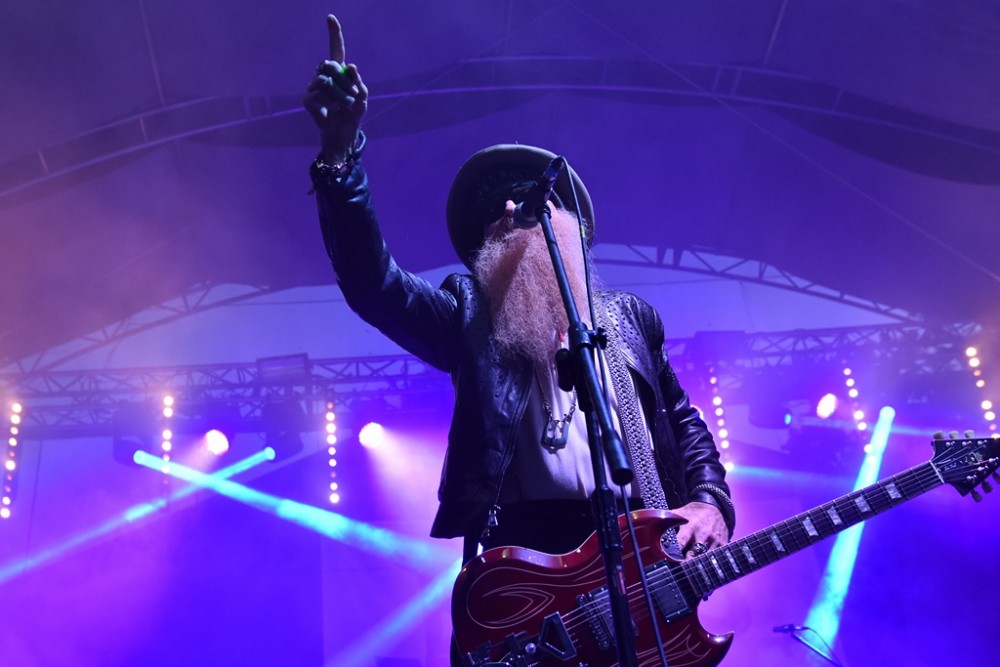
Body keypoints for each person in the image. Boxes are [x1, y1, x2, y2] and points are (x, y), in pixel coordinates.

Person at [303, 13, 734, 661]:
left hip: (636, 550)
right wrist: (341, 160)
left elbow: (682, 421)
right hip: (524, 567)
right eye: (495, 210)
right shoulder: (468, 313)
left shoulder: (627, 320)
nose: (511, 211)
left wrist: (709, 502)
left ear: (569, 229)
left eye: (530, 201)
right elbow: (376, 286)